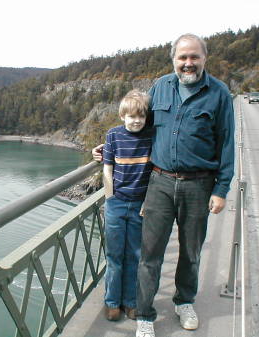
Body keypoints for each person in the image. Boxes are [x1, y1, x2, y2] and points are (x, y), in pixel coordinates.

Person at [93, 34, 235, 337]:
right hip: (158, 182)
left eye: (194, 57)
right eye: (182, 57)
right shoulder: (160, 87)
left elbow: (226, 145)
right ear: (174, 60)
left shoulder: (219, 94)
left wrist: (221, 190)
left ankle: (185, 301)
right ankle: (144, 314)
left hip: (199, 185)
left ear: (204, 58)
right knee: (150, 252)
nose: (188, 63)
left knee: (192, 250)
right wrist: (107, 150)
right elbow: (138, 126)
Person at [102, 89, 153, 322]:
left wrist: (149, 201)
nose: (136, 121)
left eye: (140, 117)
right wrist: (110, 198)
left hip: (140, 205)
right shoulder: (113, 135)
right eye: (131, 116)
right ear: (122, 116)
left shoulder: (151, 136)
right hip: (117, 204)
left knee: (134, 255)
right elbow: (107, 169)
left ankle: (130, 302)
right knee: (114, 255)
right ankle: (112, 302)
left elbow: (156, 172)